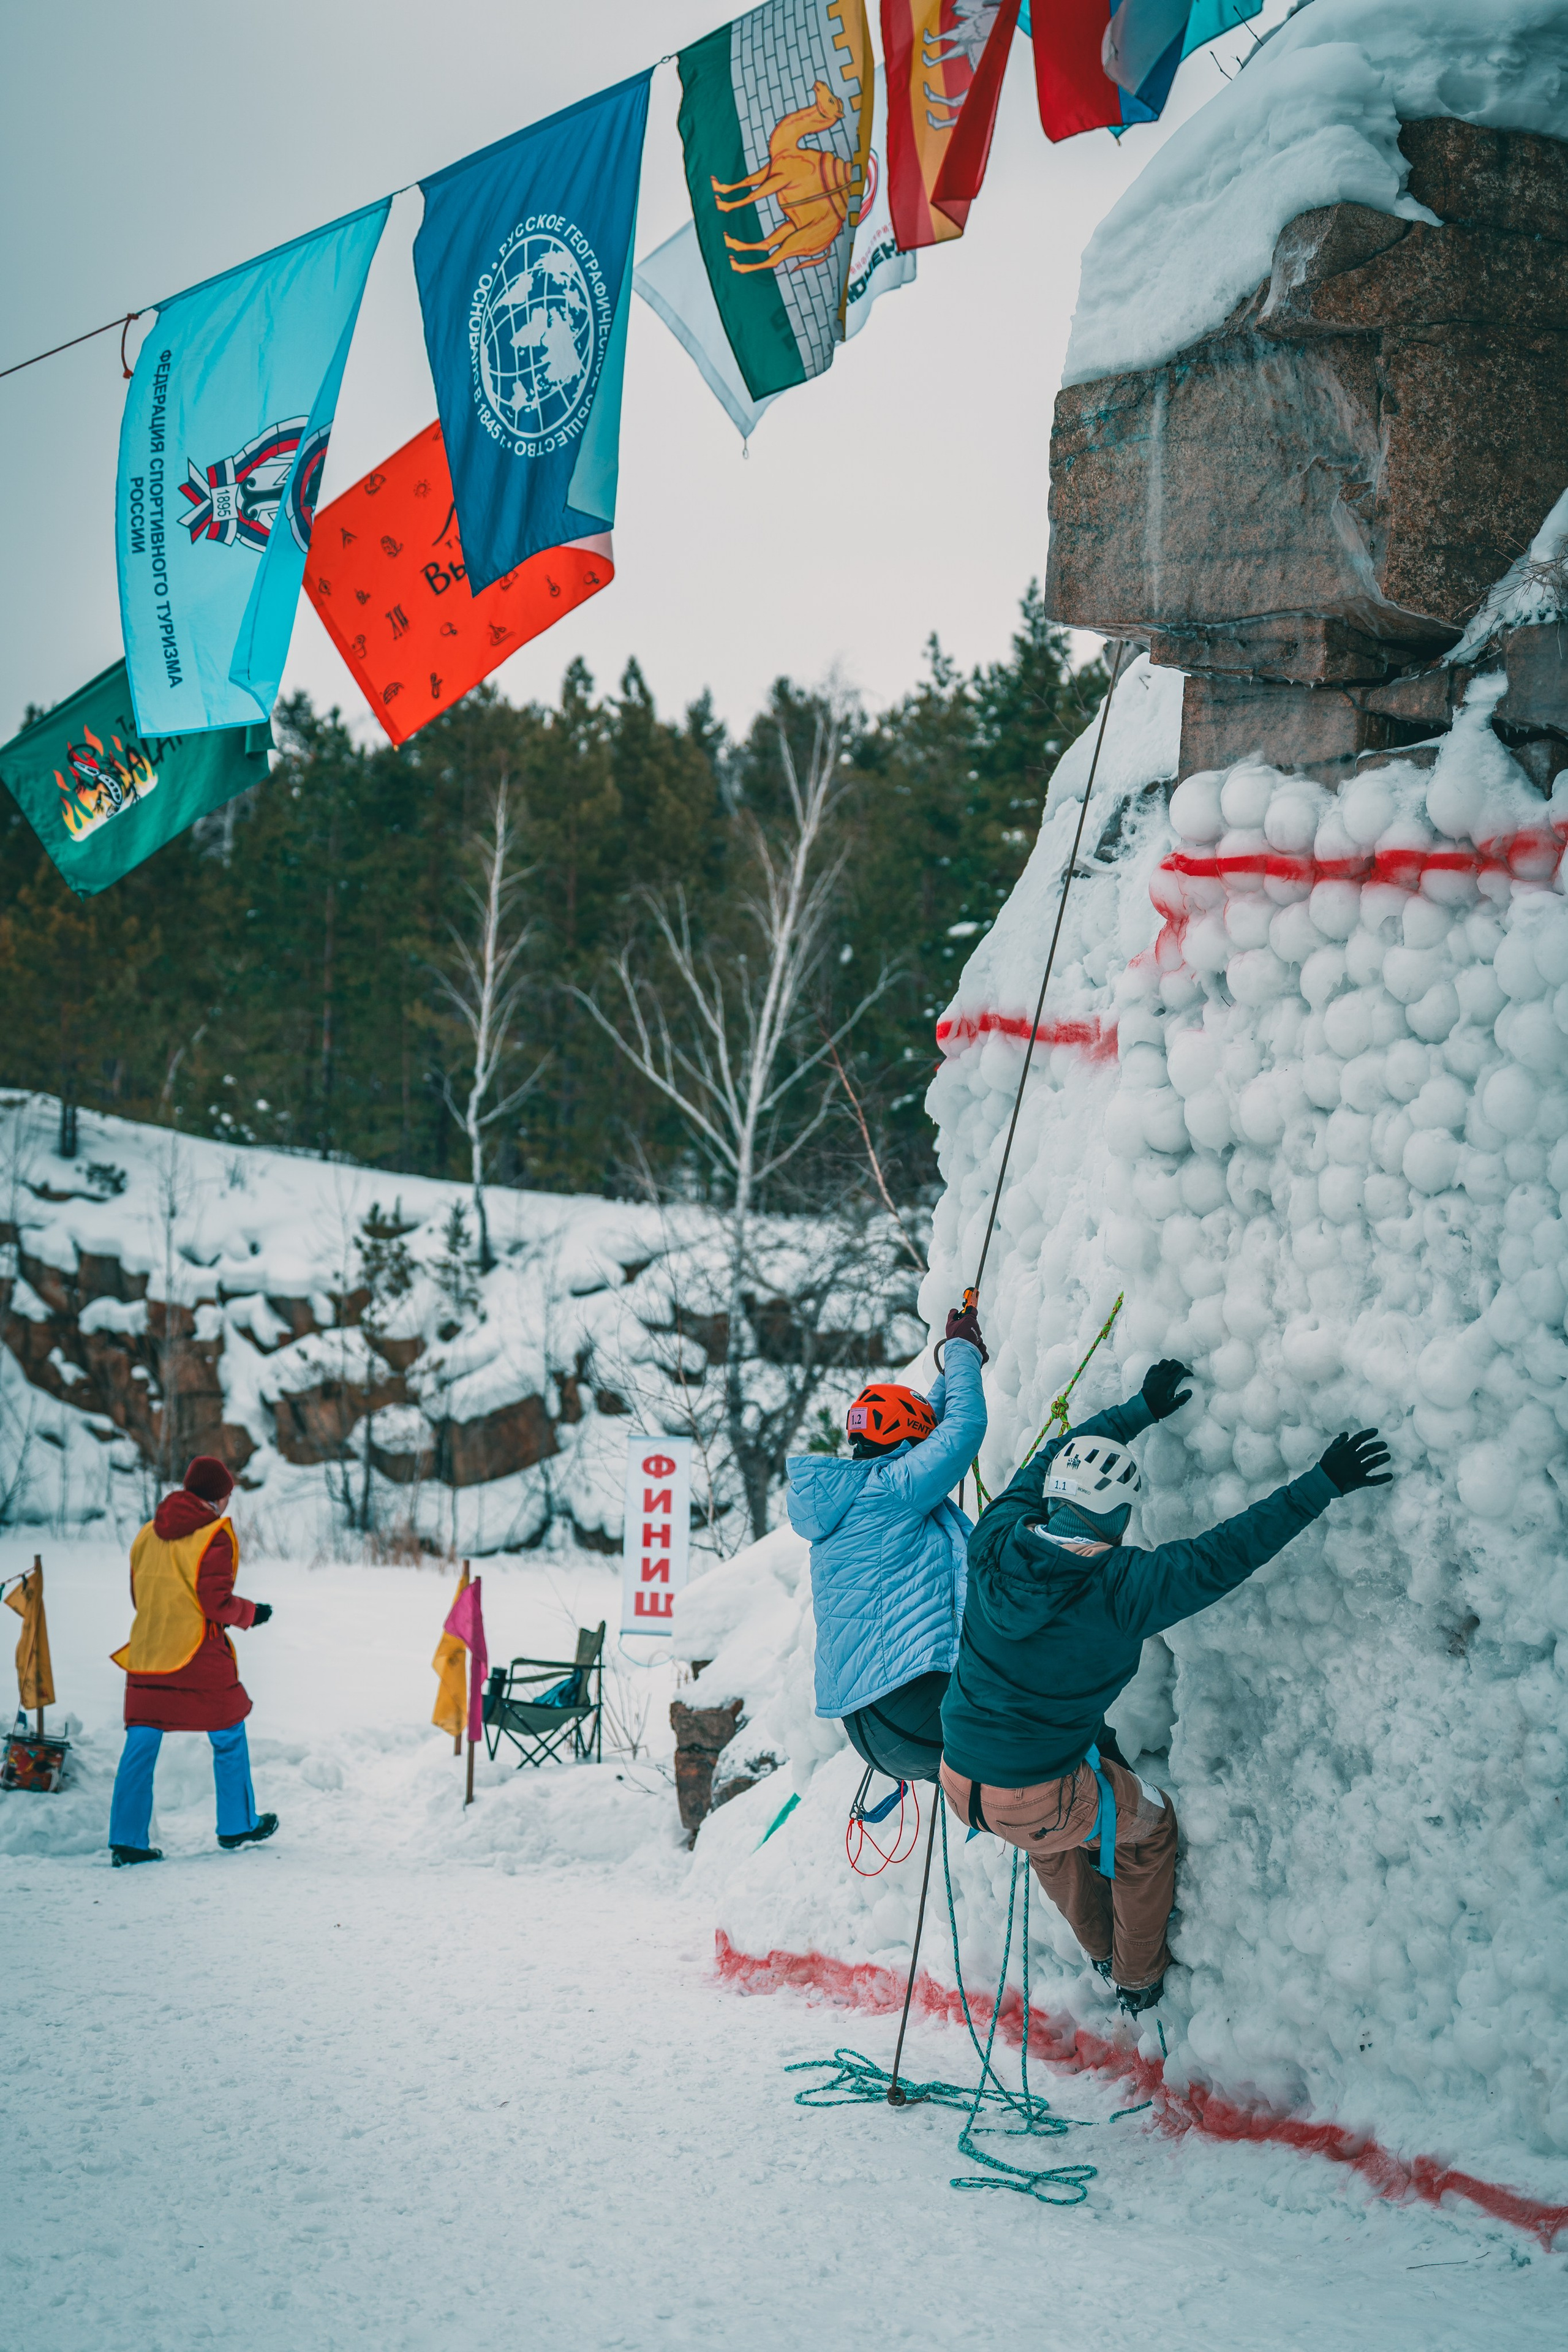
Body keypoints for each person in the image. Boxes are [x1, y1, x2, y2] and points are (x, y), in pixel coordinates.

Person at [940, 1359, 1392, 2013]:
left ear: (1054, 1498)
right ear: (1118, 1520)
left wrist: (1136, 1413)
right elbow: (1223, 1553)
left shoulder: (994, 1536)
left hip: (960, 1778)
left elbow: (1047, 1459)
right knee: (1148, 1828)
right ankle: (1135, 1973)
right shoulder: (1122, 1588)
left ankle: (1097, 1942)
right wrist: (1321, 1483)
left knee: (1048, 1829)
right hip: (1035, 1793)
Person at [786, 1305, 989, 1779]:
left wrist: (960, 1364)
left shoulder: (850, 1498)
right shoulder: (892, 1491)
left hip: (874, 1731)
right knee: (1052, 1707)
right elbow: (959, 1433)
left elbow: (928, 1432)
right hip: (914, 1708)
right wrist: (961, 1351)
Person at [107, 1454, 278, 1866]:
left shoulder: (147, 1534)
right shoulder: (213, 1535)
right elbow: (215, 1603)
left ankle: (127, 1839)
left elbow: (138, 1596)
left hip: (147, 1652)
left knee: (142, 1740)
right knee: (229, 1733)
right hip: (196, 1654)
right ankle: (237, 1824)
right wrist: (252, 1614)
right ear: (218, 1498)